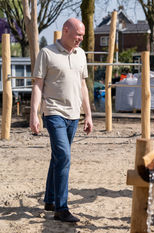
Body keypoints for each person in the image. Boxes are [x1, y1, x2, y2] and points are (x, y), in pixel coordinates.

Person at [30, 18, 93, 222]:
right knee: (64, 156)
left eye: (82, 36)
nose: (80, 39)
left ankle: (49, 199)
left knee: (58, 157)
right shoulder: (46, 53)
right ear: (66, 30)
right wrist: (34, 114)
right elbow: (38, 85)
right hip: (54, 112)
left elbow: (83, 86)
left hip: (74, 114)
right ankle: (61, 208)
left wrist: (88, 114)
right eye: (78, 35)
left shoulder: (81, 54)